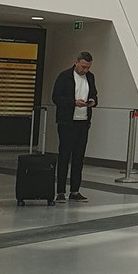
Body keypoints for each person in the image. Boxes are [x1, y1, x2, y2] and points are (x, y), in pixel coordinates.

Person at [51, 52, 97, 202]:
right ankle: (60, 191)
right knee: (64, 156)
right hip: (67, 122)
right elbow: (56, 97)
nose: (85, 70)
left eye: (88, 68)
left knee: (79, 157)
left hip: (83, 121)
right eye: (83, 67)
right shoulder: (65, 76)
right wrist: (73, 102)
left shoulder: (90, 77)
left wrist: (92, 101)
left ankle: (75, 190)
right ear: (76, 62)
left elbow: (95, 94)